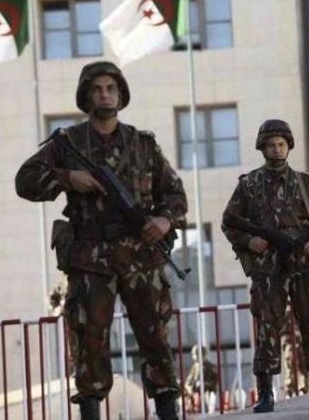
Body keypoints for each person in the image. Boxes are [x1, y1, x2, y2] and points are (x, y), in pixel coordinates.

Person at [15, 61, 187, 420]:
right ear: (86, 97)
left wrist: (163, 220)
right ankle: (91, 412)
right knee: (89, 340)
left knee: (155, 337)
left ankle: (168, 409)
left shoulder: (143, 145)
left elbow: (174, 194)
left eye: (111, 88)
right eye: (97, 89)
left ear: (121, 95)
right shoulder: (68, 144)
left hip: (141, 255)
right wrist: (67, 177)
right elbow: (25, 181)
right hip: (90, 257)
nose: (105, 95)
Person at [221, 119, 309, 413]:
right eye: (271, 144)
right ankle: (265, 393)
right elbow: (229, 222)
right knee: (267, 327)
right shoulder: (249, 185)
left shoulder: (305, 183)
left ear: (289, 146)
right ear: (262, 148)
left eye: (281, 144)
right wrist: (249, 241)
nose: (276, 149)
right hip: (267, 267)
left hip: (303, 264)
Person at [280, 304, 309, 397]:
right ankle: (290, 387)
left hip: (302, 336)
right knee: (290, 358)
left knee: (304, 360)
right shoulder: (286, 312)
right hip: (289, 338)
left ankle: (303, 387)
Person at [184, 345, 218, 414]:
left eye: (195, 354)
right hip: (195, 393)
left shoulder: (212, 367)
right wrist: (189, 389)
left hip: (207, 393)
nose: (193, 357)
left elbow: (215, 383)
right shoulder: (195, 367)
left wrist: (205, 384)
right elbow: (188, 382)